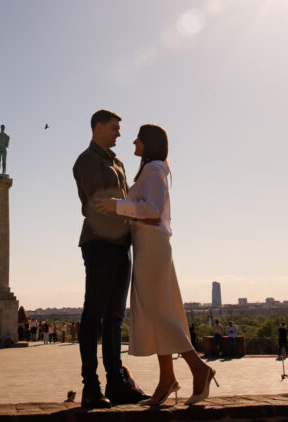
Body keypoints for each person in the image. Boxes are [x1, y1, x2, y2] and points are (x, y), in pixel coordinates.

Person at [93, 123, 217, 406]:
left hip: (151, 246)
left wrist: (116, 206)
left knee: (156, 311)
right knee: (160, 310)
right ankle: (167, 380)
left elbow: (152, 211)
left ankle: (199, 368)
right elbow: (142, 206)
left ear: (148, 143)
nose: (134, 141)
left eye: (138, 138)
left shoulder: (154, 170)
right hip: (150, 246)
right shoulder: (153, 170)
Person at [72, 109, 146, 408]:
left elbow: (119, 203)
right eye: (115, 128)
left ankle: (116, 383)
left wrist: (121, 206)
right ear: (99, 127)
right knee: (94, 316)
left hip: (121, 243)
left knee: (115, 318)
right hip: (100, 242)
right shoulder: (86, 160)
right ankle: (91, 387)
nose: (119, 133)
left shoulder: (117, 162)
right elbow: (98, 204)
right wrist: (123, 206)